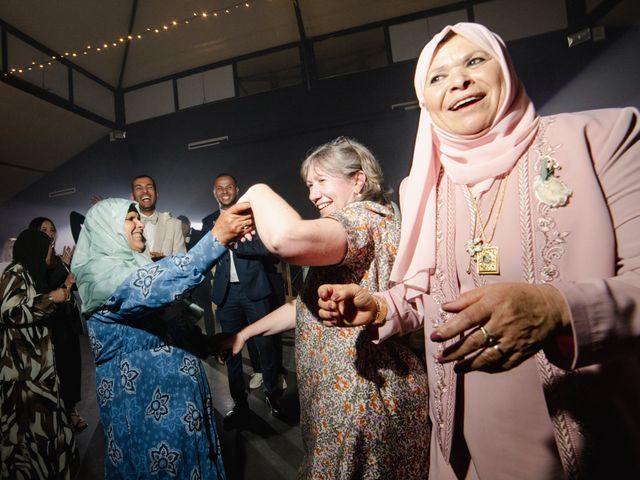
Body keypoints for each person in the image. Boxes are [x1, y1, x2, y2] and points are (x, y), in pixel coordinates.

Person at [316, 22, 640, 479]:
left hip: (582, 435)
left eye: (474, 61)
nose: (458, 81)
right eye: (437, 76)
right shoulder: (423, 185)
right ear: (425, 101)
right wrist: (381, 305)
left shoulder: (600, 138)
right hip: (462, 445)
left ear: (504, 68)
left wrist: (554, 308)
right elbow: (430, 295)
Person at [213, 138, 430, 478]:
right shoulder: (363, 220)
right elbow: (305, 307)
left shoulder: (361, 218)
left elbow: (285, 239)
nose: (313, 194)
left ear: (357, 181)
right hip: (343, 396)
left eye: (322, 181)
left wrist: (255, 192)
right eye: (310, 185)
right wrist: (246, 333)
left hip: (361, 395)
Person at [70, 198, 252, 479]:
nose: (140, 223)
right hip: (147, 416)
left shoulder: (136, 266)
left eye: (138, 218)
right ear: (107, 229)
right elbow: (150, 287)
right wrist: (215, 238)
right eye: (130, 219)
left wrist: (205, 343)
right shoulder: (99, 276)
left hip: (183, 413)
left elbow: (168, 324)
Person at [202, 173, 286, 428]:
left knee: (266, 345)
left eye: (229, 187)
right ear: (214, 192)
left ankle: (274, 396)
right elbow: (203, 255)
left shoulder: (254, 214)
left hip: (256, 290)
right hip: (226, 294)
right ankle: (239, 403)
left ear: (236, 189)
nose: (224, 191)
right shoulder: (208, 221)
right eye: (219, 188)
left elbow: (268, 247)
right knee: (229, 350)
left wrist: (235, 243)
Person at [1, 229, 79, 479]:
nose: (51, 254)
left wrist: (61, 295)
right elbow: (9, 312)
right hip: (22, 376)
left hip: (36, 372)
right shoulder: (15, 273)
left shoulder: (31, 274)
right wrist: (51, 298)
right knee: (28, 439)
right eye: (48, 249)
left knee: (46, 433)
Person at [28, 216, 87, 432]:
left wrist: (70, 267)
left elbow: (76, 287)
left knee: (72, 369)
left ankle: (71, 410)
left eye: (52, 229)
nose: (50, 233)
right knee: (55, 371)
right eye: (44, 229)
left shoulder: (60, 259)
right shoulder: (32, 263)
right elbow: (43, 293)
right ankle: (57, 415)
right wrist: (66, 282)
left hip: (68, 323)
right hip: (49, 326)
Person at [131, 174, 186, 260]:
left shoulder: (174, 224)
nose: (145, 191)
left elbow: (182, 261)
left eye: (149, 187)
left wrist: (164, 261)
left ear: (156, 195)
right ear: (132, 197)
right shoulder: (126, 225)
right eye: (139, 188)